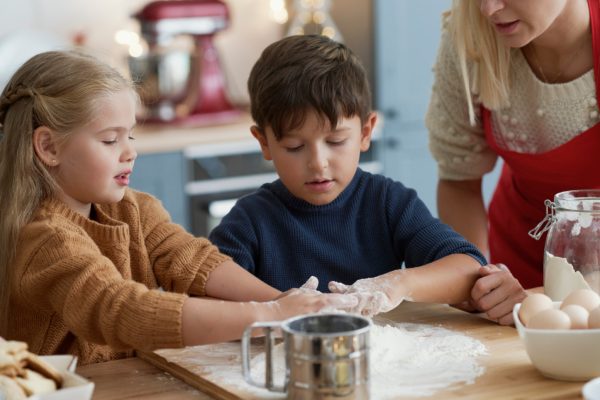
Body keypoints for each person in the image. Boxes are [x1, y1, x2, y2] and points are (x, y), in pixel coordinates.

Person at [0, 50, 357, 365]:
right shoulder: (45, 239)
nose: (130, 152)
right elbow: (121, 309)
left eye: (131, 135)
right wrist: (269, 314)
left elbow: (192, 259)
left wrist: (289, 305)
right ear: (48, 147)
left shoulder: (134, 210)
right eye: (110, 139)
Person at [209, 34, 488, 318]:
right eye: (294, 146)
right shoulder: (250, 221)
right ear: (264, 143)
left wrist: (398, 284)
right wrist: (281, 306)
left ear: (366, 133)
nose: (318, 164)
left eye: (336, 141)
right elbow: (206, 295)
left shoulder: (388, 202)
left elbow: (468, 268)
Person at [426, 0, 600, 322]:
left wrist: (573, 296)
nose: (489, 9)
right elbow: (458, 181)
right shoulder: (469, 37)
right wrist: (478, 277)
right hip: (512, 263)